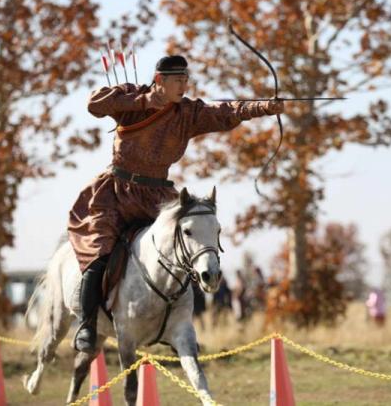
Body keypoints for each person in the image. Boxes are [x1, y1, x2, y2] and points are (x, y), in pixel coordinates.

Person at [68, 55, 285, 353]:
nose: (184, 85)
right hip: (117, 193)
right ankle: (87, 326)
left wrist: (262, 107)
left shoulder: (188, 113)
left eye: (186, 80)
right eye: (178, 80)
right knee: (101, 250)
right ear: (160, 80)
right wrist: (144, 101)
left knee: (182, 253)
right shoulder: (132, 98)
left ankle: (176, 328)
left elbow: (223, 112)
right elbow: (95, 104)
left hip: (157, 198)